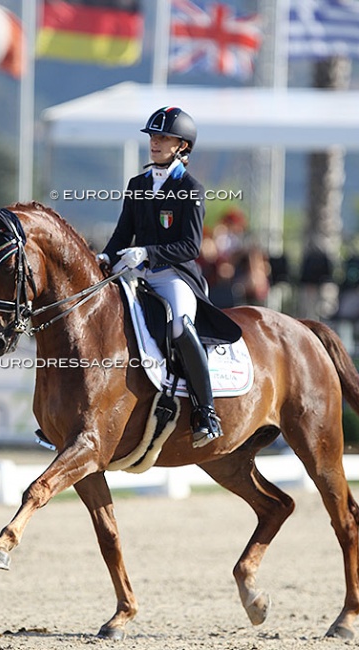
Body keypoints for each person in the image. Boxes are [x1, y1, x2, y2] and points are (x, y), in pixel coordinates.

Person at [96, 106, 242, 448]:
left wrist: (148, 253)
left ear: (182, 146)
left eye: (163, 138)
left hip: (174, 275)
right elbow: (122, 235)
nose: (155, 143)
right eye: (153, 137)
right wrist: (105, 255)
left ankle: (206, 412)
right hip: (137, 271)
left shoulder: (190, 188)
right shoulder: (138, 184)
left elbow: (190, 246)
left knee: (179, 324)